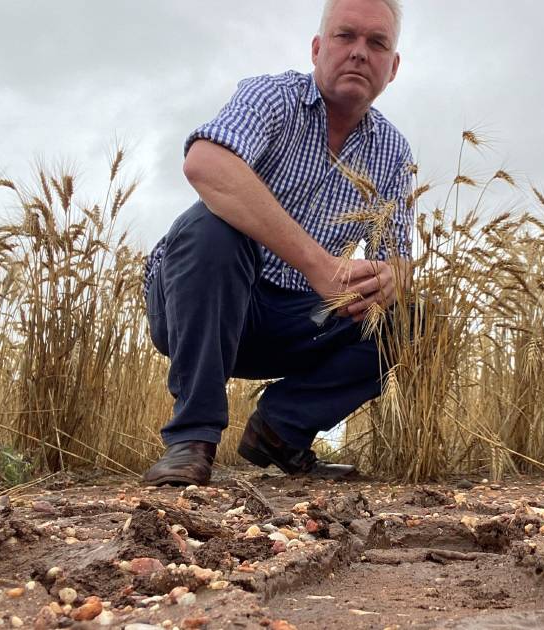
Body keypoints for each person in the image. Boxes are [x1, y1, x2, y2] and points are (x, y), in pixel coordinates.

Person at [140, 0, 414, 487]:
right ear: (316, 48)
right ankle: (191, 440)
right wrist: (317, 264)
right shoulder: (272, 97)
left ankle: (281, 430)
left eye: (376, 43)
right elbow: (205, 163)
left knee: (406, 316)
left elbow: (396, 256)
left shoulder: (393, 150)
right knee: (212, 228)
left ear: (392, 68)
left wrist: (391, 277)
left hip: (295, 320)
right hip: (198, 304)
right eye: (344, 36)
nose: (358, 53)